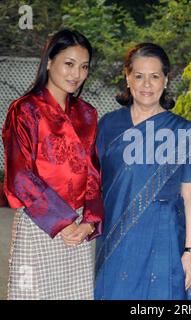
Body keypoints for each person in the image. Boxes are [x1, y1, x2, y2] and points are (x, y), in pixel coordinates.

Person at [94, 43, 191, 300]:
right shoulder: (108, 125)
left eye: (154, 76)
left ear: (165, 79)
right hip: (115, 237)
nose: (146, 84)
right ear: (127, 78)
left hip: (164, 240)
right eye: (138, 76)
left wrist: (190, 252)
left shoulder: (185, 134)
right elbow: (94, 183)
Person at [2, 29, 104, 300]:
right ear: (49, 62)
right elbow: (20, 176)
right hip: (40, 224)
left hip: (79, 229)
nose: (76, 74)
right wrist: (63, 221)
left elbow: (93, 173)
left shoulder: (87, 113)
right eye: (68, 64)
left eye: (84, 67)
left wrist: (89, 222)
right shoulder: (24, 110)